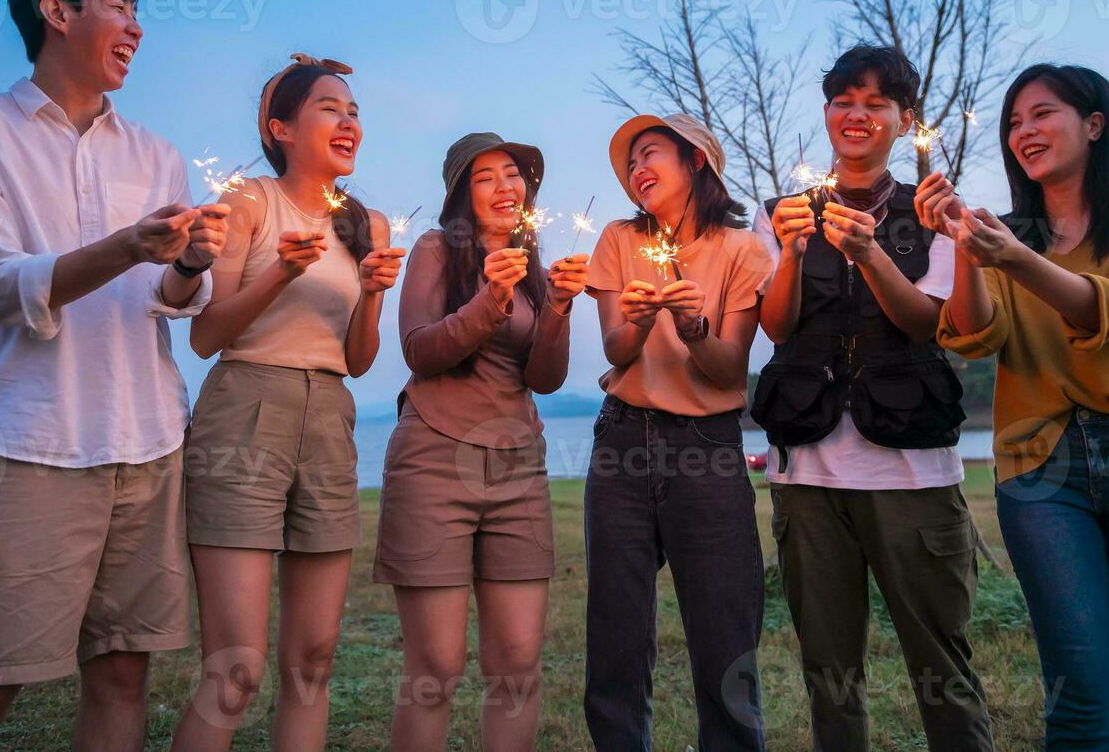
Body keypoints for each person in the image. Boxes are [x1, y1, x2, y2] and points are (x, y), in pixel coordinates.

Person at [0, 0, 230, 752]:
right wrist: (131, 245)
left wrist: (190, 263)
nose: (137, 27)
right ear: (57, 11)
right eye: (119, 7)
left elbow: (168, 302)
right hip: (32, 439)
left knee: (124, 674)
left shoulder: (154, 152)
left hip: (149, 440)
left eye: (136, 10)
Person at [920, 63, 1109, 751]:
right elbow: (973, 333)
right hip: (1041, 472)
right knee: (1080, 697)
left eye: (1041, 113)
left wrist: (1012, 257)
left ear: (1093, 123)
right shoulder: (1007, 235)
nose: (1023, 130)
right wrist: (965, 249)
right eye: (1013, 122)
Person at [752, 45, 993, 751]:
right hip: (807, 477)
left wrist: (869, 252)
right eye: (842, 100)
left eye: (875, 102)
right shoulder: (782, 215)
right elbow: (775, 326)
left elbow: (926, 323)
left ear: (902, 117)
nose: (855, 114)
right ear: (826, 112)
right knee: (829, 674)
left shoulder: (936, 211)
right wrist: (793, 254)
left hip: (911, 473)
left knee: (942, 667)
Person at [170, 54, 405, 750]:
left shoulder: (370, 224)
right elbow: (207, 335)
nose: (349, 121)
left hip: (330, 419)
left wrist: (376, 292)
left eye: (354, 111)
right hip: (245, 409)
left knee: (313, 662)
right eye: (330, 107)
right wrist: (282, 270)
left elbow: (359, 361)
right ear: (280, 127)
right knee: (235, 668)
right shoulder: (248, 200)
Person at [374, 132, 587, 751]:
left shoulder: (537, 268)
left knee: (517, 663)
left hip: (519, 464)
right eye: (485, 176)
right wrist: (489, 302)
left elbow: (544, 380)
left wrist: (559, 309)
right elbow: (419, 348)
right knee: (436, 667)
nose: (505, 186)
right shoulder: (436, 251)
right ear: (461, 195)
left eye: (514, 174)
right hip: (434, 458)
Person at [582, 112, 773, 751]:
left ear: (695, 162)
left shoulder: (742, 250)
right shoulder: (618, 239)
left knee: (725, 632)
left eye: (652, 153)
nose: (638, 169)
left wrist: (694, 328)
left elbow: (728, 371)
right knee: (616, 629)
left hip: (708, 448)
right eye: (631, 159)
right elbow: (616, 351)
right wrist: (637, 321)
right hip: (623, 445)